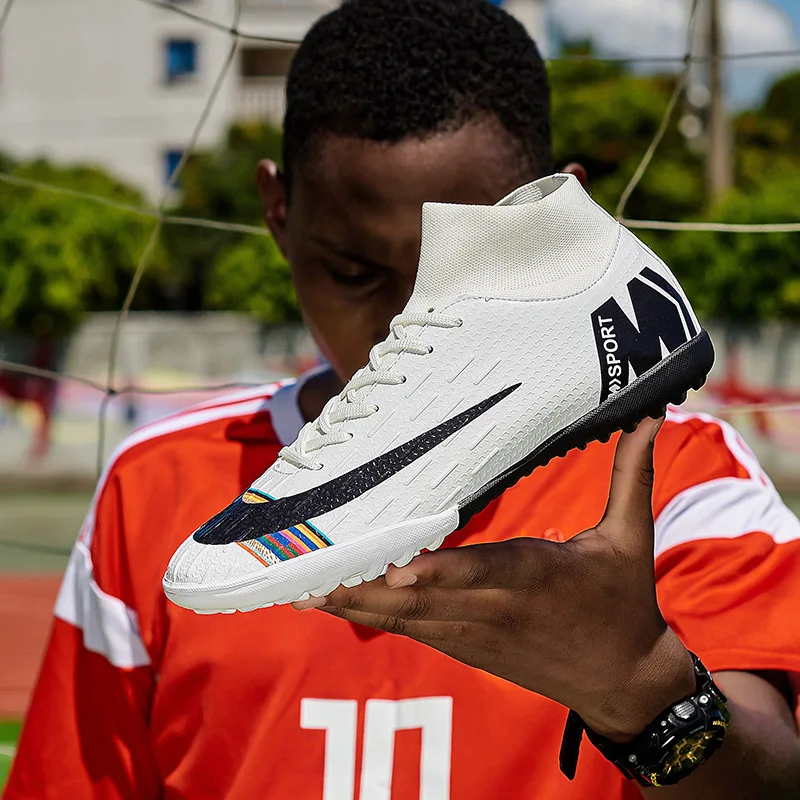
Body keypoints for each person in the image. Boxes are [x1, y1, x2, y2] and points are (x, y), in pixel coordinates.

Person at [6, 1, 800, 798]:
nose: (402, 326)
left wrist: (641, 691)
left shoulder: (681, 480)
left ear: (555, 221)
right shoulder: (154, 486)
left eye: (456, 289)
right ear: (277, 212)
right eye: (354, 272)